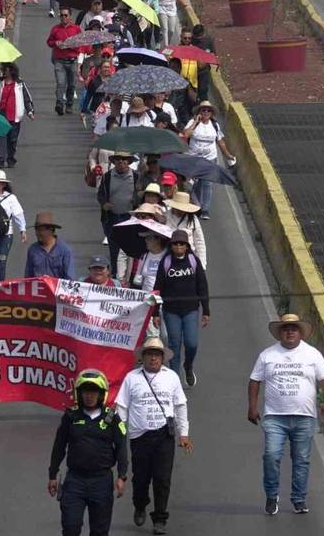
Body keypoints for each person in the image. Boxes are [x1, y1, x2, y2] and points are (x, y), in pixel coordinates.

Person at [248, 314, 324, 516]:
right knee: (271, 456)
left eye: (294, 328)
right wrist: (252, 407)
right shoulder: (267, 355)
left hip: (304, 417)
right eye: (286, 328)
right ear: (280, 332)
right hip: (275, 417)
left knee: (301, 459)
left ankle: (298, 499)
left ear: (300, 332)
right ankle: (271, 495)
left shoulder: (311, 354)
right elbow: (254, 380)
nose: (290, 332)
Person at [114, 337, 192, 535]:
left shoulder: (172, 377)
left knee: (162, 479)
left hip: (164, 436)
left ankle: (160, 518)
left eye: (157, 355)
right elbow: (121, 408)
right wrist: (118, 433)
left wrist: (184, 434)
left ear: (162, 358)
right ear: (143, 357)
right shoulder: (132, 378)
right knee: (140, 479)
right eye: (149, 354)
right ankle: (140, 505)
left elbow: (180, 406)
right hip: (140, 437)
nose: (153, 359)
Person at [48, 369, 129, 536]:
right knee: (71, 526)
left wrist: (122, 476)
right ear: (80, 393)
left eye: (93, 391)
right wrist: (52, 475)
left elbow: (121, 448)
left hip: (102, 481)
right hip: (75, 480)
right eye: (86, 391)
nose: (89, 396)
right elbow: (59, 447)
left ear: (101, 394)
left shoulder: (112, 418)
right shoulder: (70, 416)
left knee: (99, 531)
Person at [152, 229, 208, 385]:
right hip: (171, 311)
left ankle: (188, 365)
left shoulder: (193, 260)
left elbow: (202, 285)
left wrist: (206, 310)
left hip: (191, 310)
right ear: (171, 245)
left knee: (192, 343)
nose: (178, 246)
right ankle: (175, 382)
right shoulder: (166, 262)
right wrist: (155, 312)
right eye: (175, 243)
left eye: (181, 243)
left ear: (186, 245)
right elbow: (157, 288)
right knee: (174, 346)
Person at [182, 102, 234, 220]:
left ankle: (205, 209)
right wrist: (195, 122)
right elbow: (186, 134)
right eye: (203, 110)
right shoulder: (192, 123)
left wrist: (227, 155)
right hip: (195, 158)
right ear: (199, 112)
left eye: (208, 110)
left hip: (210, 158)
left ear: (211, 113)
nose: (205, 112)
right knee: (197, 183)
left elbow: (220, 141)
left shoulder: (215, 125)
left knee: (207, 183)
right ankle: (195, 205)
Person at [0, 170, 27, 283]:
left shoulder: (11, 198)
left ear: (3, 184)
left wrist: (22, 230)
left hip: (5, 236)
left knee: (1, 264)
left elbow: (18, 214)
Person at [97, 153, 137, 278]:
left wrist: (136, 200)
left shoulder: (136, 177)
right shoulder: (107, 177)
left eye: (124, 159)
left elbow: (141, 194)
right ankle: (114, 276)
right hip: (112, 217)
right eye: (118, 159)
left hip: (129, 218)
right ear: (114, 161)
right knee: (114, 249)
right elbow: (100, 194)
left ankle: (128, 276)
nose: (121, 162)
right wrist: (104, 203)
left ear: (128, 162)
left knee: (129, 248)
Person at [0, 62, 35, 169]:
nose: (3, 72)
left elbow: (26, 98)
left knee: (12, 139)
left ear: (11, 71)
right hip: (1, 114)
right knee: (1, 137)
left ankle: (11, 158)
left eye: (5, 70)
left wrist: (30, 111)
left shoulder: (19, 83)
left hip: (14, 115)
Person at [47, 7, 81, 115]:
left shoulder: (76, 29)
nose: (63, 17)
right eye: (61, 15)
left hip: (72, 60)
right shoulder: (55, 29)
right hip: (59, 61)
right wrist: (56, 43)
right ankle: (59, 103)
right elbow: (49, 42)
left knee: (71, 84)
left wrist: (69, 45)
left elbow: (81, 44)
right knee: (60, 83)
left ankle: (69, 104)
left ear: (70, 17)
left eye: (66, 15)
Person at [25, 213, 74, 279]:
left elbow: (70, 278)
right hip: (39, 288)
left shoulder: (64, 250)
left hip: (58, 288)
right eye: (36, 230)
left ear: (50, 230)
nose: (37, 233)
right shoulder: (32, 250)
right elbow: (28, 277)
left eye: (40, 230)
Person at [164, 192, 206, 268]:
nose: (181, 211)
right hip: (168, 259)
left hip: (188, 259)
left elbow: (199, 241)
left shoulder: (193, 219)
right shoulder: (165, 217)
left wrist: (202, 264)